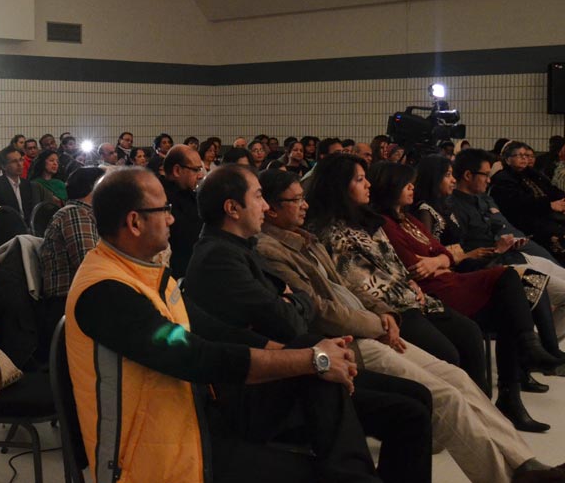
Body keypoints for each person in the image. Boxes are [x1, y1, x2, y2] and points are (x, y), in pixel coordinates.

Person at [68, 167, 390, 483]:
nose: (172, 219)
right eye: (164, 210)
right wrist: (312, 360)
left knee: (318, 364)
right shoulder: (105, 292)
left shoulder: (146, 274)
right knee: (323, 455)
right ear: (134, 222)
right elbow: (194, 355)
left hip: (195, 420)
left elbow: (213, 330)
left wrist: (305, 354)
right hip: (157, 458)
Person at [255, 168, 565, 482]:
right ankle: (508, 478)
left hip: (377, 319)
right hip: (344, 340)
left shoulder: (307, 238)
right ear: (271, 209)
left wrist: (386, 314)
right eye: (295, 200)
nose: (304, 205)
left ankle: (525, 462)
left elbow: (350, 289)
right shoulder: (274, 249)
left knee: (457, 377)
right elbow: (321, 310)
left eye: (303, 198)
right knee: (444, 394)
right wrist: (379, 321)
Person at [183, 164, 433, 483]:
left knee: (417, 397)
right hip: (260, 388)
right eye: (258, 197)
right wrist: (297, 308)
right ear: (232, 208)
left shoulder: (239, 248)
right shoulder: (219, 258)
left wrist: (294, 302)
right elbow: (292, 323)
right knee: (405, 411)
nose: (265, 206)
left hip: (287, 364)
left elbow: (298, 304)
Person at [369, 161, 565, 431]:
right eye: (406, 183)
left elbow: (446, 252)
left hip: (461, 272)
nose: (412, 187)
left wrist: (440, 260)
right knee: (514, 280)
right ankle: (530, 355)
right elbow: (418, 264)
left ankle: (517, 381)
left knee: (521, 290)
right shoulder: (401, 219)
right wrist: (446, 258)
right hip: (446, 282)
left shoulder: (417, 217)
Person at [305, 154, 488, 390]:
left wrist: (411, 283)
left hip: (412, 297)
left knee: (470, 332)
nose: (368, 184)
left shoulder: (368, 220)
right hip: (390, 309)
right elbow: (354, 282)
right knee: (447, 352)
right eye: (360, 180)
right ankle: (460, 403)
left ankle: (483, 402)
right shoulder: (327, 232)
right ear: (339, 186)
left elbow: (393, 261)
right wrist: (405, 289)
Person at [449, 149, 565, 345]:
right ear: (468, 175)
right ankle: (542, 347)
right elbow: (463, 258)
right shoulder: (453, 208)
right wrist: (497, 249)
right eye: (485, 175)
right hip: (499, 268)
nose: (489, 180)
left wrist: (507, 240)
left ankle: (541, 345)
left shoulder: (480, 199)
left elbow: (497, 225)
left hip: (513, 256)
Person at [39, 167, 104, 348]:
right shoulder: (75, 213)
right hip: (69, 304)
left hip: (83, 299)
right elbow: (89, 265)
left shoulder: (87, 214)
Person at [490, 141, 565, 259]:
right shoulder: (503, 178)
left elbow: (551, 189)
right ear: (508, 159)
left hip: (547, 215)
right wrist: (549, 205)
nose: (525, 158)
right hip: (527, 222)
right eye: (520, 155)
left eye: (527, 155)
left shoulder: (531, 174)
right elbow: (519, 203)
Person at [161, 145, 204, 279]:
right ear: (177, 170)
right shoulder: (159, 199)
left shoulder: (192, 194)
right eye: (196, 170)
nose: (200, 175)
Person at [0, 146, 52, 224]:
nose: (19, 164)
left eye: (20, 160)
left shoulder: (27, 184)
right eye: (14, 161)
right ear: (3, 166)